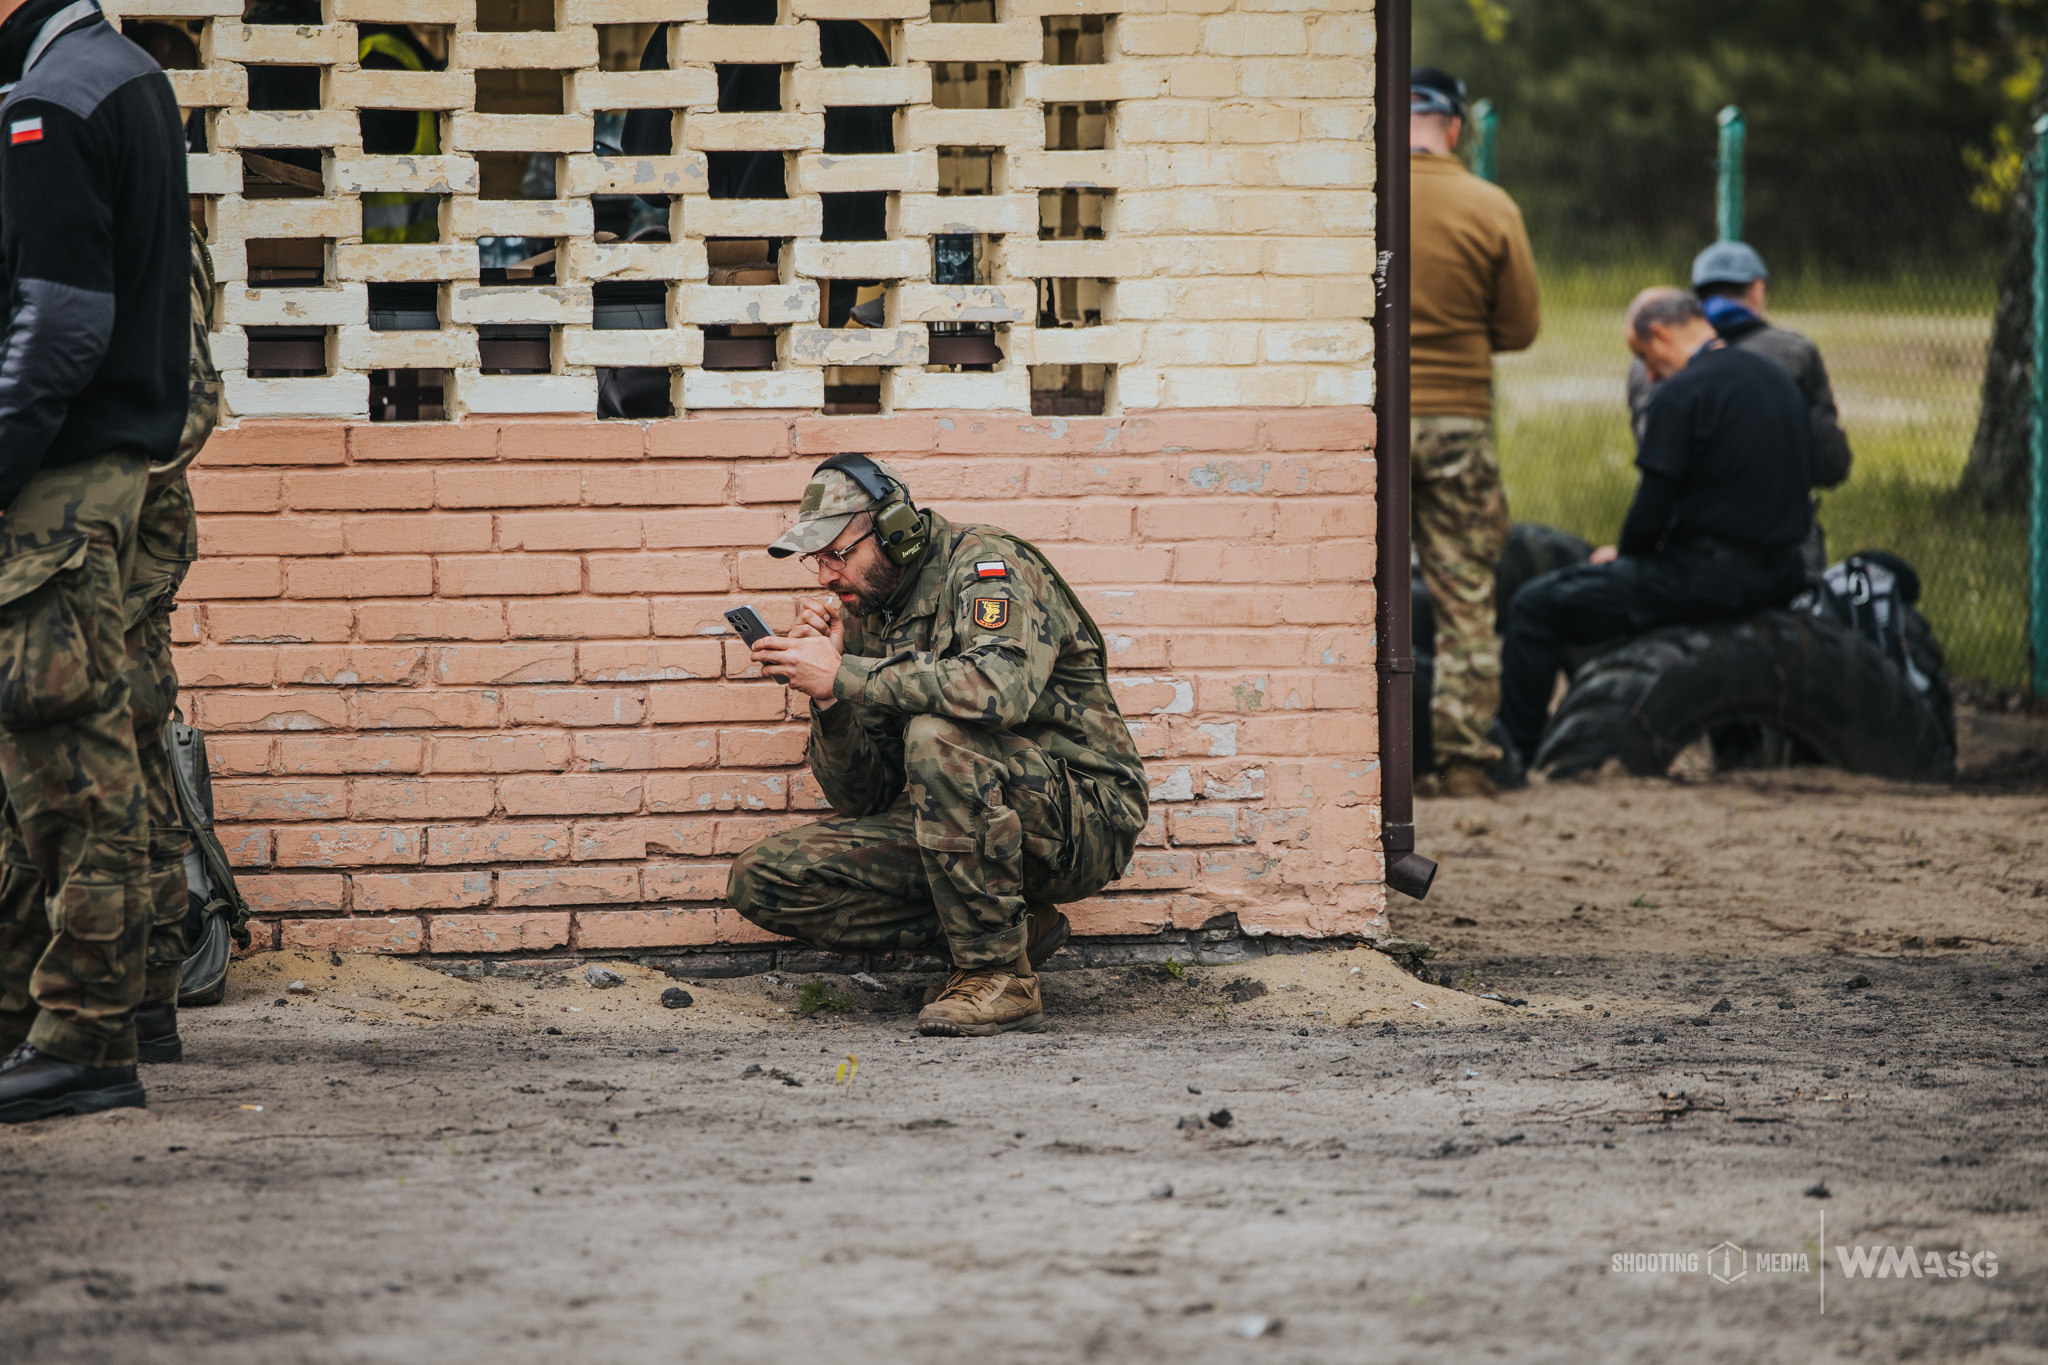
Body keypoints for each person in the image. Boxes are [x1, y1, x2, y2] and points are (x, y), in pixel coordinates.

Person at [726, 456, 1149, 1036]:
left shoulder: (987, 567)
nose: (825, 577)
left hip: (1081, 819)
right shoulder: (868, 614)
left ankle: (998, 976)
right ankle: (1017, 933)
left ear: (895, 532)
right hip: (967, 818)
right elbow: (863, 797)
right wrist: (829, 696)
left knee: (937, 734)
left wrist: (847, 673)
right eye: (816, 560)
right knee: (768, 879)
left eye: (837, 555)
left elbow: (999, 691)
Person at [0, 0, 191, 1121]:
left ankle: (84, 1037)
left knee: (70, 772)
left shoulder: (53, 100)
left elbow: (59, 323)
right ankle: (89, 1014)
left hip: (59, 482)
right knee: (88, 751)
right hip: (102, 475)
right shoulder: (121, 74)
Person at [1498, 288, 1813, 768]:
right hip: (1782, 574)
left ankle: (1517, 755)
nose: (1648, 373)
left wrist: (1627, 559)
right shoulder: (1779, 380)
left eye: (1644, 356)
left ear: (1661, 335)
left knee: (1535, 607)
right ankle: (1740, 754)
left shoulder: (1682, 393)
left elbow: (1652, 507)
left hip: (1708, 578)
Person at [1408, 66, 1541, 797]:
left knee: (1345, 584)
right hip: (1458, 422)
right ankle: (1462, 762)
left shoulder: (1364, 201)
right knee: (1464, 597)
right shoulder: (1491, 206)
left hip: (1372, 424)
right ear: (1455, 127)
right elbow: (1519, 328)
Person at [1627, 240, 1852, 570]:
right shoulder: (1793, 355)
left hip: (1678, 549)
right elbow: (1829, 464)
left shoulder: (1649, 362)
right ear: (1757, 290)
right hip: (1782, 554)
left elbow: (1656, 468)